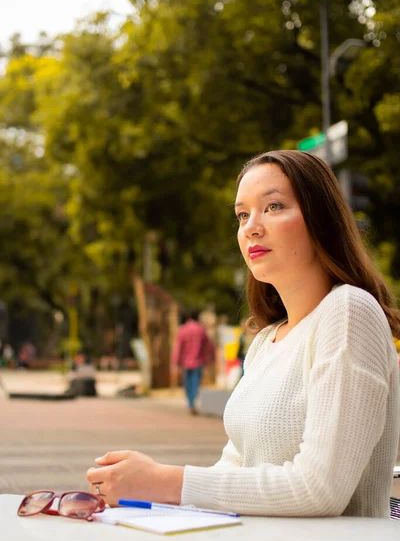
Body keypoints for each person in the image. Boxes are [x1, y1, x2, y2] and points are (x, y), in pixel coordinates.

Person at [87, 150, 400, 518]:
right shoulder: (267, 341)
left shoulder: (348, 312)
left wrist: (165, 481)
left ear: (321, 219)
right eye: (242, 214)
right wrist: (143, 491)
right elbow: (234, 469)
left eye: (273, 206)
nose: (251, 226)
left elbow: (321, 488)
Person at [170, 309, 215, 415]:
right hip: (198, 361)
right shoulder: (201, 329)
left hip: (185, 362)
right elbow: (208, 345)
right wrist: (211, 359)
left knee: (187, 383)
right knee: (195, 382)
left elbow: (178, 347)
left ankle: (190, 403)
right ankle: (192, 402)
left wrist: (175, 363)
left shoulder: (183, 329)